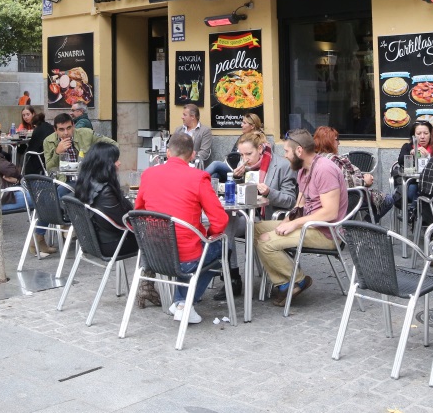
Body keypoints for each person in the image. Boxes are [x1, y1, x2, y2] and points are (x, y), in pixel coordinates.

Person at [134, 133, 228, 324]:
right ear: (192, 155)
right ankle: (183, 303)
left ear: (168, 153)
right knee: (222, 250)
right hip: (186, 257)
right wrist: (208, 236)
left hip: (153, 255)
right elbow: (219, 221)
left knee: (202, 251)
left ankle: (180, 302)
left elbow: (138, 212)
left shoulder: (148, 174)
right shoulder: (199, 177)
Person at [253, 129, 348, 303]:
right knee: (254, 229)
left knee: (266, 242)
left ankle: (297, 280)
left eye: (287, 151)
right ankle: (286, 283)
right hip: (309, 225)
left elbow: (330, 212)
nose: (285, 156)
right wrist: (288, 220)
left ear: (299, 151)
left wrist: (294, 225)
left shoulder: (324, 169)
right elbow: (299, 205)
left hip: (327, 233)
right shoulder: (303, 170)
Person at [212, 130, 296, 301]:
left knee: (229, 222)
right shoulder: (244, 168)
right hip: (247, 216)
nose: (245, 158)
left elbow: (290, 201)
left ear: (260, 149)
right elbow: (238, 199)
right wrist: (235, 180)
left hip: (268, 218)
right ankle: (232, 275)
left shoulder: (281, 166)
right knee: (226, 221)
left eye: (248, 154)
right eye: (242, 154)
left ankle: (228, 271)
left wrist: (269, 192)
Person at [76, 141, 138, 258]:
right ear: (105, 164)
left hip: (92, 241)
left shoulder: (85, 183)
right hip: (112, 244)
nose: (119, 163)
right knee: (156, 241)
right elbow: (125, 222)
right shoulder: (106, 192)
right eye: (115, 160)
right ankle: (147, 273)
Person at [313, 126, 385, 212]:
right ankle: (364, 224)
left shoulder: (315, 159)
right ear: (328, 142)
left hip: (322, 202)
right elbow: (346, 183)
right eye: (336, 140)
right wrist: (365, 181)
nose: (339, 143)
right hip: (345, 200)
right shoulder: (333, 160)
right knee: (387, 200)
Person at [380, 120, 433, 220]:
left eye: (426, 133)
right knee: (414, 189)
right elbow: (401, 161)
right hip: (412, 183)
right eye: (418, 133)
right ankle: (415, 211)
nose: (422, 137)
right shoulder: (408, 146)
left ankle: (413, 211)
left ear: (431, 135)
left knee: (424, 190)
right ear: (413, 136)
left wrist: (429, 156)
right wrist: (411, 153)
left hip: (431, 185)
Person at [42, 112, 116, 171]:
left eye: (69, 128)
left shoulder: (86, 134)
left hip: (86, 179)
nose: (66, 133)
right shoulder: (48, 141)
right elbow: (49, 169)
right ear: (55, 130)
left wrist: (103, 161)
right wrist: (57, 153)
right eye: (61, 129)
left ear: (73, 126)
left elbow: (113, 144)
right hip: (63, 181)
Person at [205, 112, 264, 183]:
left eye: (244, 123)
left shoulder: (259, 140)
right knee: (216, 175)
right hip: (233, 167)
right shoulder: (242, 137)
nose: (241, 125)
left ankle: (196, 179)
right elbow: (232, 154)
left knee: (216, 164)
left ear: (252, 126)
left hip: (243, 170)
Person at [23, 111, 55, 175]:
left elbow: (32, 148)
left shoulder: (37, 130)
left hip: (40, 157)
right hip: (51, 153)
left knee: (25, 153)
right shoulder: (50, 126)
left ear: (34, 125)